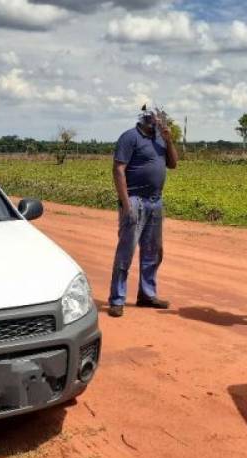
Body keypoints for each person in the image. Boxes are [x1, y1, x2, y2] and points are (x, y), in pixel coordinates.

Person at [108, 105, 178, 318]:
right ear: (145, 119)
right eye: (156, 119)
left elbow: (173, 164)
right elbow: (118, 169)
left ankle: (147, 295)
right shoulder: (129, 137)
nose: (158, 122)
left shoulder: (160, 138)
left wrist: (168, 140)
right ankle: (117, 299)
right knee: (126, 251)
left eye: (161, 120)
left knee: (153, 251)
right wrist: (126, 203)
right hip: (135, 200)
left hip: (155, 201)